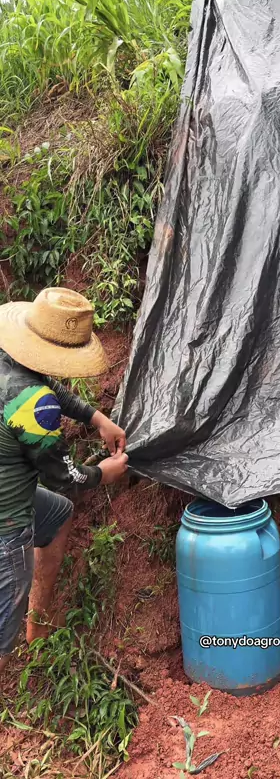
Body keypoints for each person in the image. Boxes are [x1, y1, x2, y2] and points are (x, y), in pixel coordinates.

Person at [0, 287, 128, 674]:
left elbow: (46, 386)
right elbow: (63, 476)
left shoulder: (8, 360)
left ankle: (36, 626)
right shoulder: (33, 405)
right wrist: (103, 474)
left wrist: (96, 418)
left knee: (57, 514)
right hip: (5, 525)